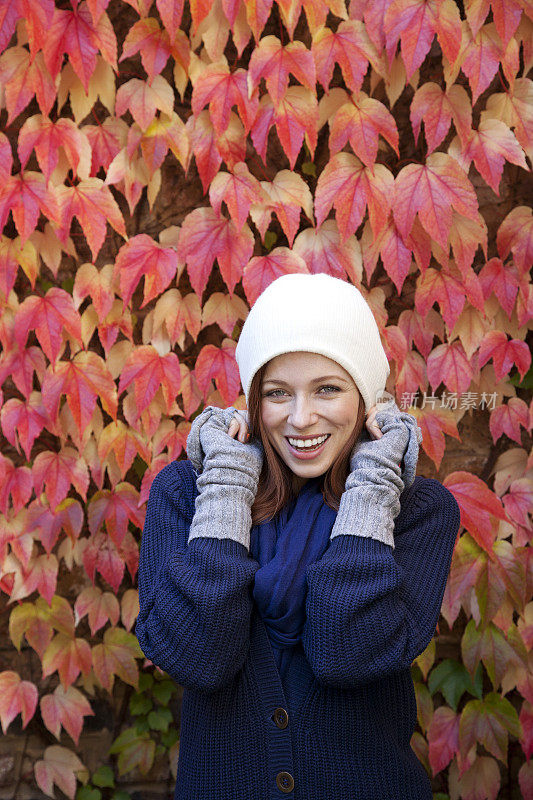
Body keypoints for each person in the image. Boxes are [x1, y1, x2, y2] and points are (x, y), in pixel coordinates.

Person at [135, 272, 461, 800]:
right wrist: (225, 494)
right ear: (252, 403)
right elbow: (197, 657)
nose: (301, 419)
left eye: (327, 389)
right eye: (277, 393)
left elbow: (346, 654)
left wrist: (371, 492)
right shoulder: (187, 494)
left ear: (366, 397)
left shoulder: (417, 512)